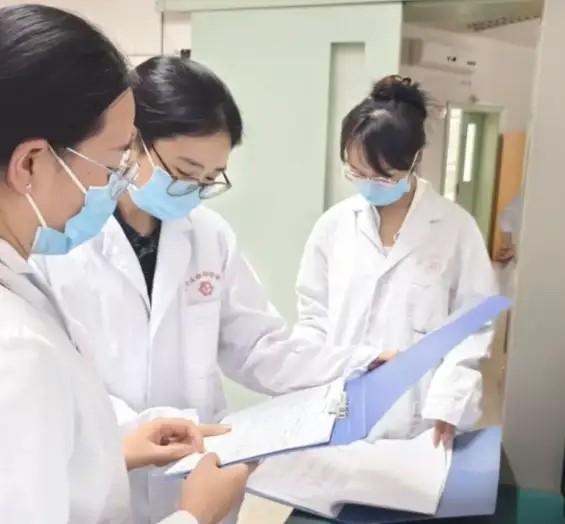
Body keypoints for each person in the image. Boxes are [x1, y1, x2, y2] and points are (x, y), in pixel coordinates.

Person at [32, 55, 387, 523]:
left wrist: (357, 364)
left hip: (197, 473)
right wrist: (135, 430)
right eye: (183, 171)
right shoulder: (61, 239)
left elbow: (259, 346)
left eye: (208, 179)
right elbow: (60, 380)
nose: (193, 190)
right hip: (105, 476)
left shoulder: (209, 235)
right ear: (132, 141)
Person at [0, 5, 250, 523]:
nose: (118, 184)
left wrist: (113, 447)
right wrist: (194, 518)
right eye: (114, 163)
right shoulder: (17, 346)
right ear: (30, 163)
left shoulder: (21, 288)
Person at [296, 76, 500, 447]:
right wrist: (306, 385)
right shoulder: (333, 226)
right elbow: (313, 316)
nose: (368, 184)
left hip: (419, 420)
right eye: (356, 172)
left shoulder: (455, 228)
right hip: (339, 409)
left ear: (414, 160)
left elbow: (472, 325)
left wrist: (451, 401)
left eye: (383, 177)